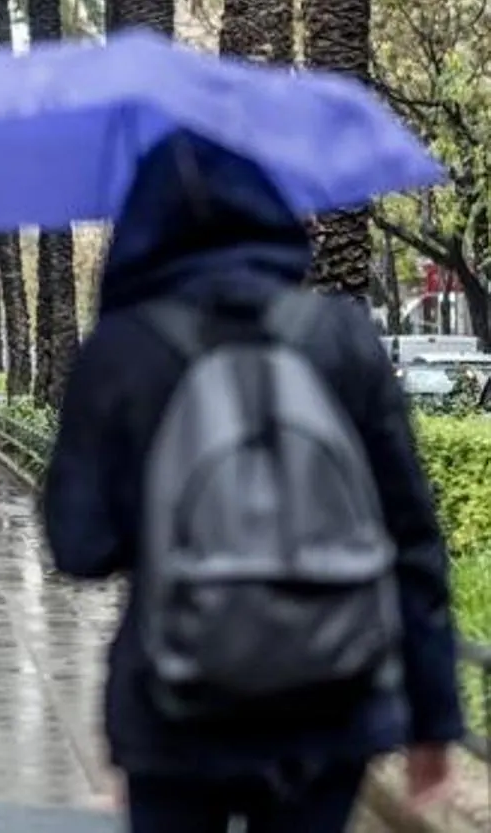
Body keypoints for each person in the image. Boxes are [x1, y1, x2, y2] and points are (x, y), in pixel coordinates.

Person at [42, 132, 462, 833]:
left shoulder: (121, 352)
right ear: (268, 212)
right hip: (333, 705)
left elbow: (79, 545)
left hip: (173, 705)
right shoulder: (341, 337)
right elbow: (412, 538)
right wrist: (433, 716)